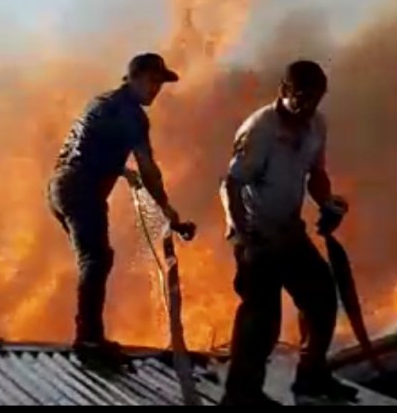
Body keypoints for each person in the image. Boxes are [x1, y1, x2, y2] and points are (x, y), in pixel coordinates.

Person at [219, 60, 354, 406]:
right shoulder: (260, 129)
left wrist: (328, 203)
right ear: (284, 92)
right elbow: (231, 184)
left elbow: (316, 174)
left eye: (317, 99)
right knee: (261, 318)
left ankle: (311, 377)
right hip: (258, 235)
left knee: (322, 297)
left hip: (290, 231)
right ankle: (241, 396)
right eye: (303, 98)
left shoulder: (316, 126)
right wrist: (239, 234)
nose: (309, 107)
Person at [48, 52, 195, 363]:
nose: (157, 89)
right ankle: (88, 340)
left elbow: (88, 146)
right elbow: (148, 167)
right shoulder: (131, 114)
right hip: (81, 189)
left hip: (60, 187)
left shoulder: (102, 101)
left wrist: (119, 170)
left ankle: (89, 334)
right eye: (153, 81)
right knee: (96, 258)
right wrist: (168, 210)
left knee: (94, 258)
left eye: (160, 83)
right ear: (135, 77)